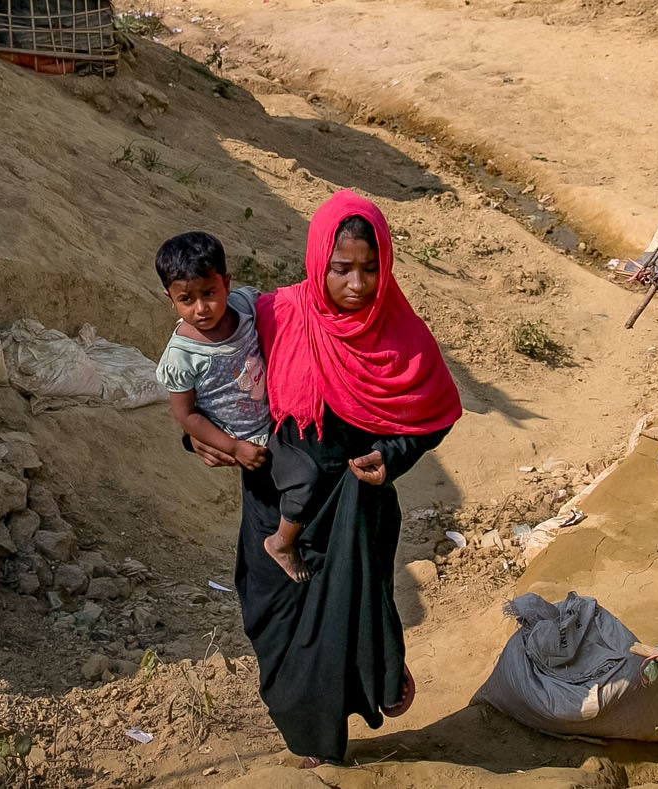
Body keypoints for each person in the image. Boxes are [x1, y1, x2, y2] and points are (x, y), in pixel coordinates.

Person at [190, 190, 463, 767]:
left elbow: (432, 413)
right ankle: (316, 710)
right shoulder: (274, 314)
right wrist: (197, 436)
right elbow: (214, 379)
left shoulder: (401, 336)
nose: (358, 284)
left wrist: (390, 455)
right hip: (274, 505)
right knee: (272, 615)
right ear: (319, 263)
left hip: (352, 509)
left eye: (370, 268)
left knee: (344, 616)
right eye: (342, 269)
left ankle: (323, 734)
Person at [153, 232, 311, 580]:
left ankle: (284, 543)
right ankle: (279, 546)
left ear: (226, 283)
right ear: (170, 299)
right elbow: (184, 414)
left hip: (275, 426)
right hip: (245, 443)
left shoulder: (245, 306)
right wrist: (233, 447)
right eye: (186, 299)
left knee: (300, 483)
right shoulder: (181, 356)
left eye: (208, 293)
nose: (200, 308)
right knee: (288, 491)